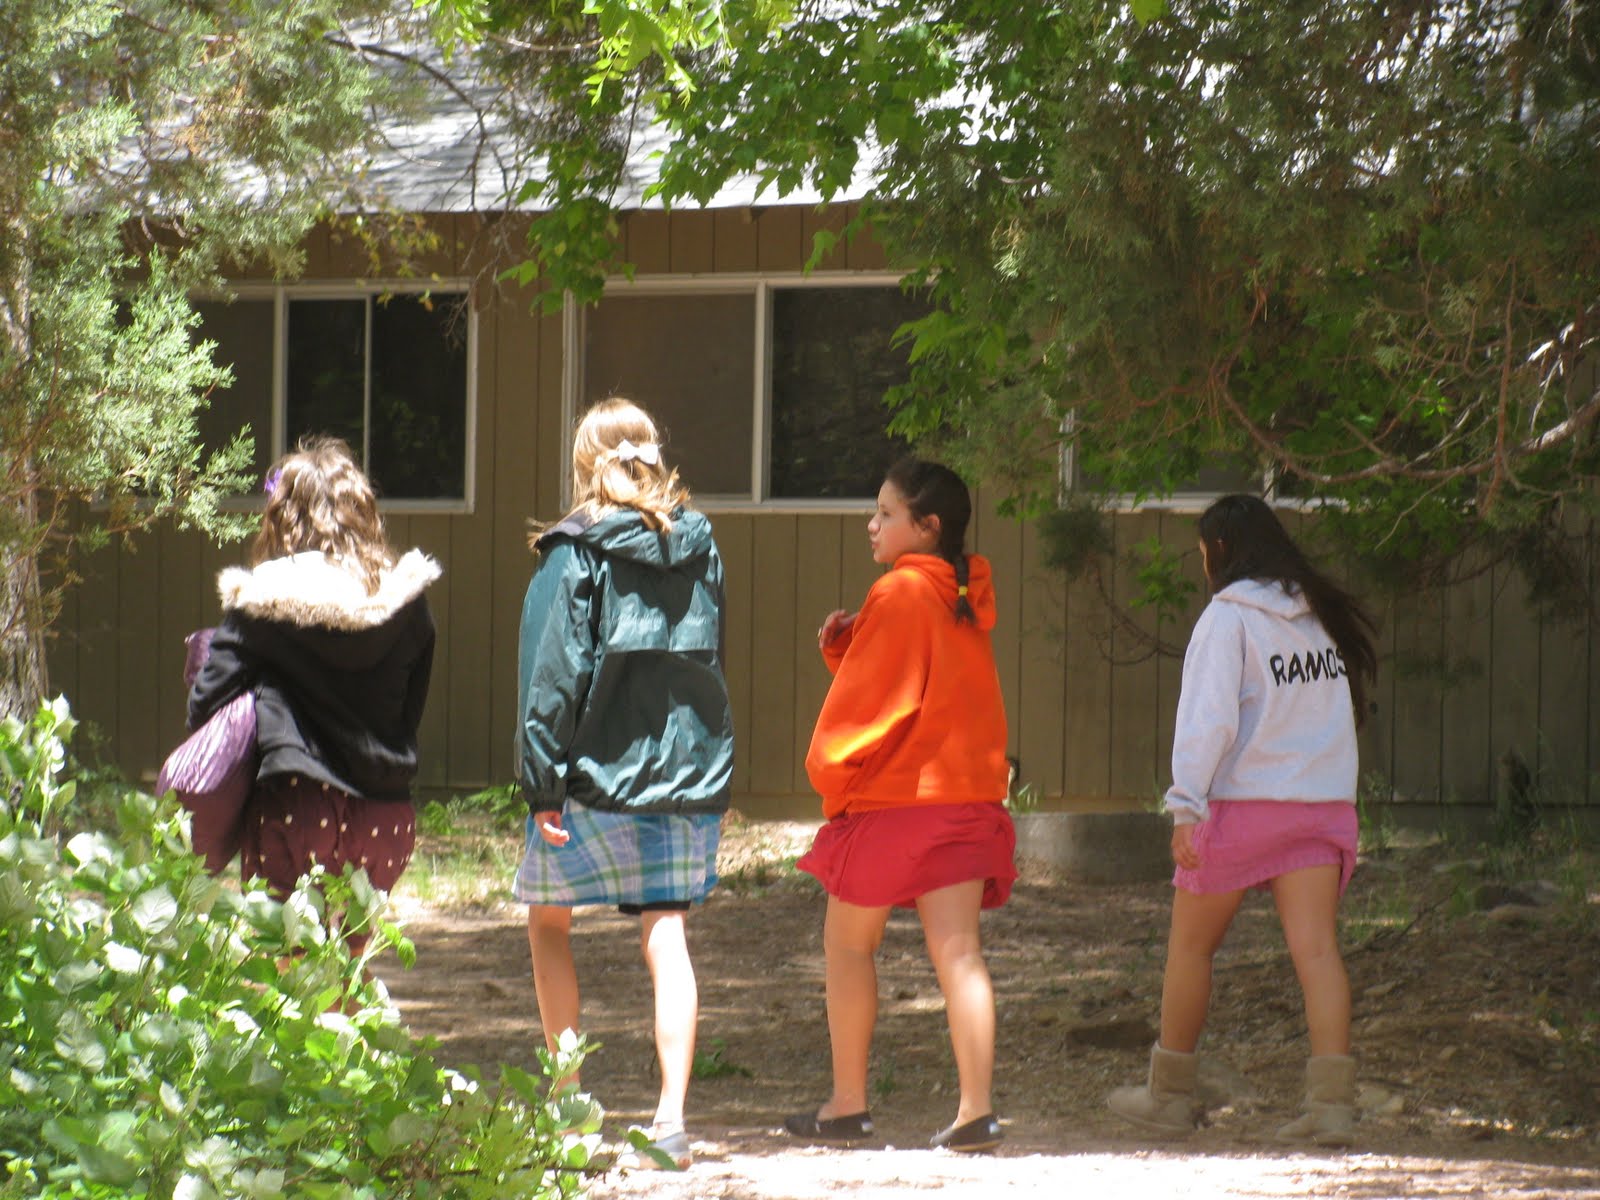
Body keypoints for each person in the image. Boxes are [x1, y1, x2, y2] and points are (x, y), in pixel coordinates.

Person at [1106, 493, 1378, 1145]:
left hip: (1243, 808)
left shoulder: (1227, 619)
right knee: (1318, 953)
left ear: (1221, 552)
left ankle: (1168, 1097)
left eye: (1203, 552)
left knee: (1191, 949)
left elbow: (1207, 723)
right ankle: (1332, 1107)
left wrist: (1185, 806)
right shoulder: (1320, 617)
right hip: (1321, 809)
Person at [514, 398, 734, 1171]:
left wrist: (541, 782)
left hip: (592, 778)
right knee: (665, 931)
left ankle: (569, 1113)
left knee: (548, 922)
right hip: (684, 775)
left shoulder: (573, 552)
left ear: (585, 463)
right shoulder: (699, 543)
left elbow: (551, 674)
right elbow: (710, 656)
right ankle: (670, 1121)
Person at [784, 458, 1015, 1154]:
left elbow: (874, 702)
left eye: (886, 514)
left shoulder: (899, 590)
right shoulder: (963, 593)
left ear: (928, 526)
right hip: (966, 798)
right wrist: (849, 642)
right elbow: (926, 682)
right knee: (961, 954)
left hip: (896, 803)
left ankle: (847, 1105)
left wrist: (831, 771)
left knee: (848, 946)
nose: (872, 524)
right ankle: (977, 1112)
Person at [188, 436, 440, 950]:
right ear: (362, 512)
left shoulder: (261, 600)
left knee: (291, 969)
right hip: (385, 818)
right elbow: (410, 710)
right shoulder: (407, 602)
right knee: (349, 967)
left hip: (297, 805)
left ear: (281, 517)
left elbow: (203, 707)